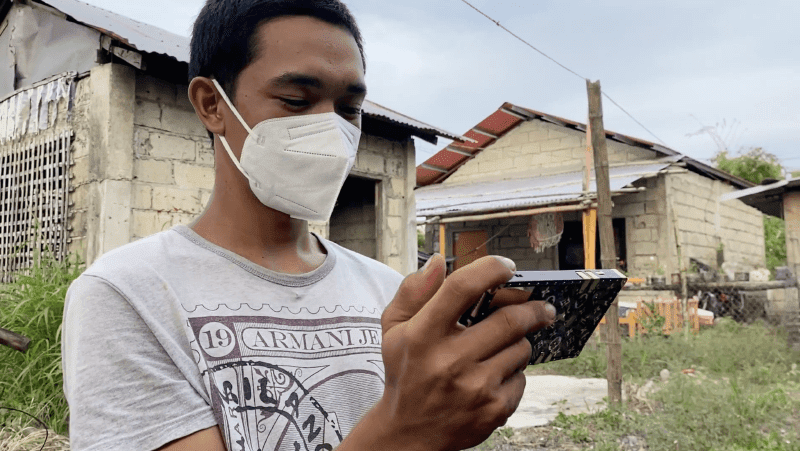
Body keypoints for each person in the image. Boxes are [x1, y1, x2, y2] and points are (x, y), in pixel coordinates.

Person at [60, 1, 556, 450]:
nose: (333, 132)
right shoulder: (127, 295)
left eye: (349, 109)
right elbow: (409, 430)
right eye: (297, 101)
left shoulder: (388, 291)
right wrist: (403, 430)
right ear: (212, 104)